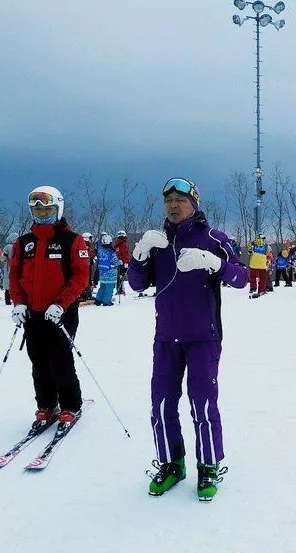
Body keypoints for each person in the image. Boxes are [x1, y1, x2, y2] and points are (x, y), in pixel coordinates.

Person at [128, 177, 247, 501]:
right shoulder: (158, 241)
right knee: (161, 403)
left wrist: (214, 263)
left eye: (180, 200)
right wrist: (140, 253)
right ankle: (171, 464)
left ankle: (208, 466)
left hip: (203, 337)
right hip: (166, 337)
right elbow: (136, 284)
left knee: (202, 402)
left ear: (193, 203)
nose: (173, 205)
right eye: (168, 200)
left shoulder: (212, 238)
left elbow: (243, 277)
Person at [9, 185, 90, 430]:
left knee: (60, 359)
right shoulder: (23, 243)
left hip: (60, 313)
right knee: (38, 360)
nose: (41, 214)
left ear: (58, 208)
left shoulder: (72, 241)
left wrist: (61, 304)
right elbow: (14, 277)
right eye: (36, 210)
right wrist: (19, 303)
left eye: (47, 210)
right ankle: (46, 404)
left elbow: (80, 277)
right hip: (33, 313)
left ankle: (70, 405)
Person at [96, 232, 121, 306]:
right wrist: (119, 263)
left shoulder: (100, 250)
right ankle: (106, 301)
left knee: (102, 287)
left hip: (102, 272)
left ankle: (98, 300)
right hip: (110, 273)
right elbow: (115, 262)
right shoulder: (111, 252)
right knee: (109, 288)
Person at [248, 233, 271, 298]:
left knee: (253, 276)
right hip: (262, 264)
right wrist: (268, 262)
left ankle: (253, 288)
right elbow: (269, 255)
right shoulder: (267, 246)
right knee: (263, 278)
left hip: (253, 263)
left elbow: (249, 252)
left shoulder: (252, 244)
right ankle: (261, 290)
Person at [1, 233, 18, 305]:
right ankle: (16, 299)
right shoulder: (19, 246)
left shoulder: (7, 247)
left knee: (8, 283)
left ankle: (7, 300)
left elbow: (3, 258)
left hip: (9, 266)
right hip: (18, 266)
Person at [79, 232, 96, 301]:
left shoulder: (85, 245)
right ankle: (86, 295)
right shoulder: (84, 246)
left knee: (87, 280)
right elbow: (90, 254)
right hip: (85, 266)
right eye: (90, 238)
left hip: (86, 265)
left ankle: (86, 294)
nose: (90, 240)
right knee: (86, 280)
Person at [113, 230, 130, 296]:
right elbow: (124, 253)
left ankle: (119, 288)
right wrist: (125, 262)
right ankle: (120, 289)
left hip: (118, 261)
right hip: (122, 262)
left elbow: (117, 253)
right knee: (121, 275)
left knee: (120, 275)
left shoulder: (117, 244)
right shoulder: (123, 243)